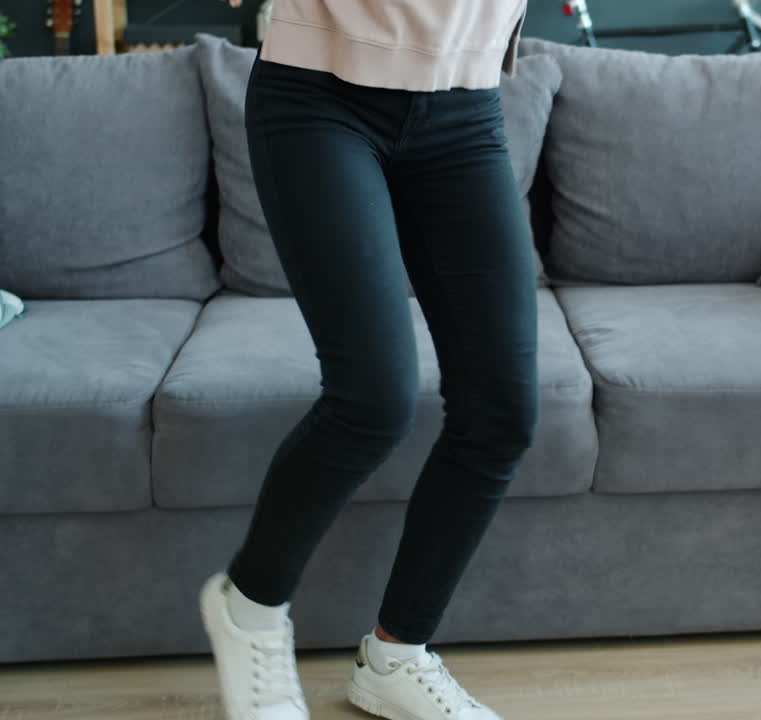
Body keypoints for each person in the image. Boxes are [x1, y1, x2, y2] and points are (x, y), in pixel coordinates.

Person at [197, 1, 537, 718]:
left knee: (501, 412)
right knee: (374, 399)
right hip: (320, 94)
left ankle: (395, 656)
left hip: (463, 103)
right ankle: (249, 611)